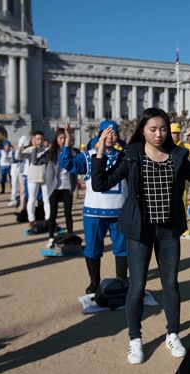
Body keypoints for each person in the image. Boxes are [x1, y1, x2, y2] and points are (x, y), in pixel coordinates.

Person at [91, 108, 190, 364]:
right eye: (153, 129)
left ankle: (173, 333)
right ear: (142, 131)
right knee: (137, 286)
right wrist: (100, 150)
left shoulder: (178, 155)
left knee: (171, 284)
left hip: (168, 231)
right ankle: (135, 339)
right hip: (140, 230)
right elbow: (100, 183)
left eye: (163, 129)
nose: (159, 134)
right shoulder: (132, 155)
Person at [60, 120, 128, 294]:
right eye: (106, 132)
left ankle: (121, 280)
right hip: (94, 212)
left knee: (122, 247)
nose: (110, 136)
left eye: (114, 133)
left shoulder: (124, 155)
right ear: (99, 135)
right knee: (93, 248)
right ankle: (94, 282)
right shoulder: (88, 156)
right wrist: (68, 141)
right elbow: (67, 163)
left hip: (119, 211)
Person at [35, 128, 78, 248]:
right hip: (54, 187)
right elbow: (37, 161)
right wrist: (35, 148)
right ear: (56, 139)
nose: (63, 140)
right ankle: (51, 237)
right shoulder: (51, 152)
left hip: (67, 186)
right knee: (53, 213)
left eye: (65, 138)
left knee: (68, 213)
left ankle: (70, 235)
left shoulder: (72, 152)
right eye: (61, 138)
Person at [170, 123, 190, 240]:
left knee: (183, 205)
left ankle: (184, 230)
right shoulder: (164, 146)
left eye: (177, 133)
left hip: (181, 182)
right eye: (174, 133)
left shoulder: (184, 146)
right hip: (165, 183)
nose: (176, 135)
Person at [16, 131, 50, 229]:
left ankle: (48, 219)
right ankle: (31, 219)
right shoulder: (30, 150)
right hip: (33, 178)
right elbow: (18, 157)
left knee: (46, 199)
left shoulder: (46, 150)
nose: (39, 141)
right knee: (32, 199)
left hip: (44, 178)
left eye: (41, 139)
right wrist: (20, 145)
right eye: (37, 139)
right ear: (33, 140)